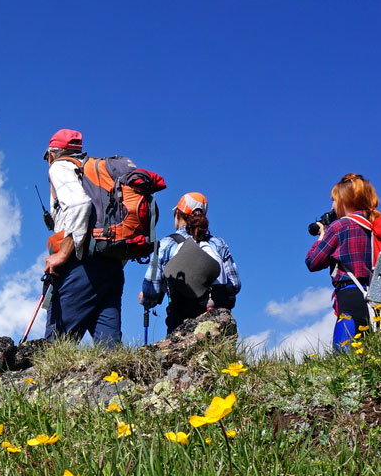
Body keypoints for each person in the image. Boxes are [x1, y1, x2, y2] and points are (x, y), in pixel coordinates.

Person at [42, 129, 123, 344]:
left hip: (81, 267)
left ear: (52, 153)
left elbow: (79, 205)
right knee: (110, 346)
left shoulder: (60, 167)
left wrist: (64, 253)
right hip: (112, 267)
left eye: (47, 157)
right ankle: (115, 378)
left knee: (56, 344)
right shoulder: (96, 174)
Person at [140, 193, 240, 333]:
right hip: (218, 319)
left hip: (181, 320)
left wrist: (146, 299)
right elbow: (235, 284)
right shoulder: (218, 243)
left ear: (178, 215)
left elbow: (152, 290)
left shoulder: (166, 244)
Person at [304, 173, 380, 343]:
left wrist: (322, 235)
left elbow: (313, 262)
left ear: (345, 200)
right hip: (379, 297)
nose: (332, 206)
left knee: (347, 356)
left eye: (335, 200)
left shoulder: (340, 225)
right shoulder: (376, 225)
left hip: (351, 294)